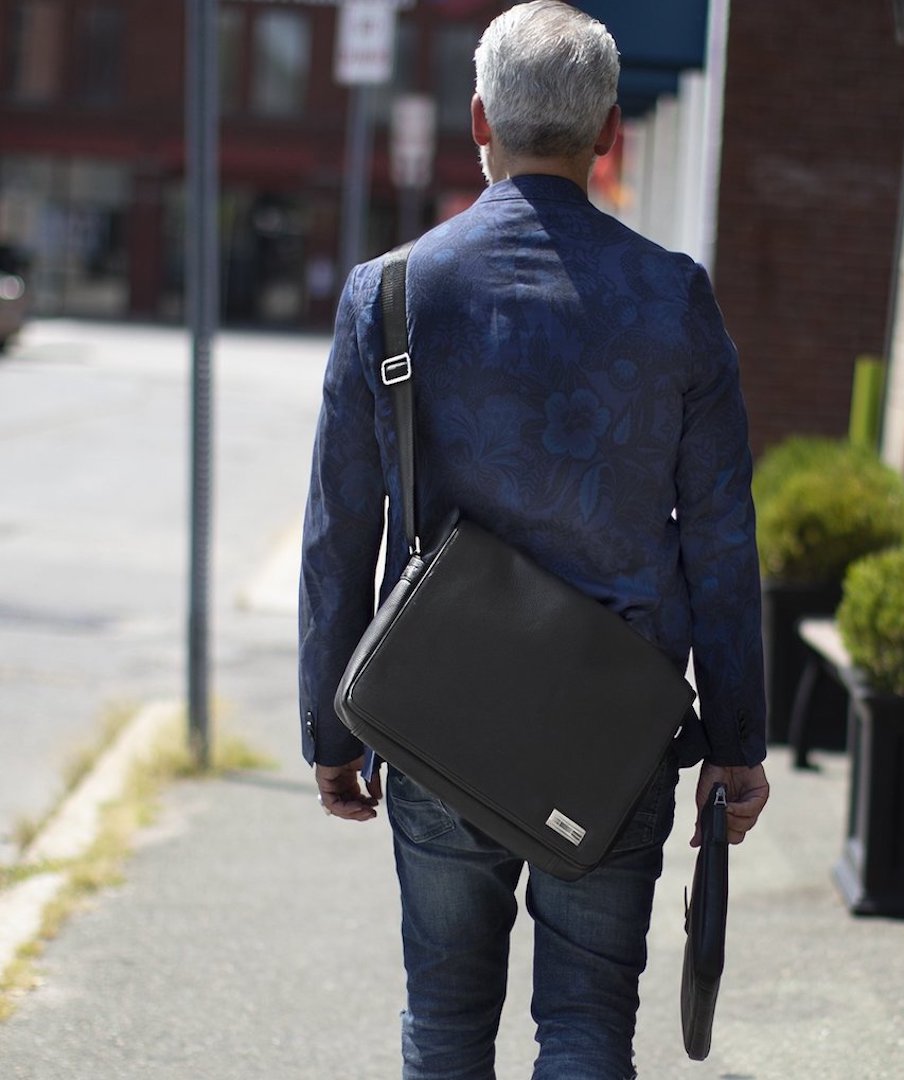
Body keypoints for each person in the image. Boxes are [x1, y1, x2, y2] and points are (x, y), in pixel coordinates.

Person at [298, 3, 769, 1077]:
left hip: (437, 714)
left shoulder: (394, 296)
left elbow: (340, 533)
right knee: (591, 1026)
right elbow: (722, 539)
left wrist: (333, 724)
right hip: (616, 734)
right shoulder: (676, 301)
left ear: (479, 120)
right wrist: (738, 739)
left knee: (447, 1021)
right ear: (610, 131)